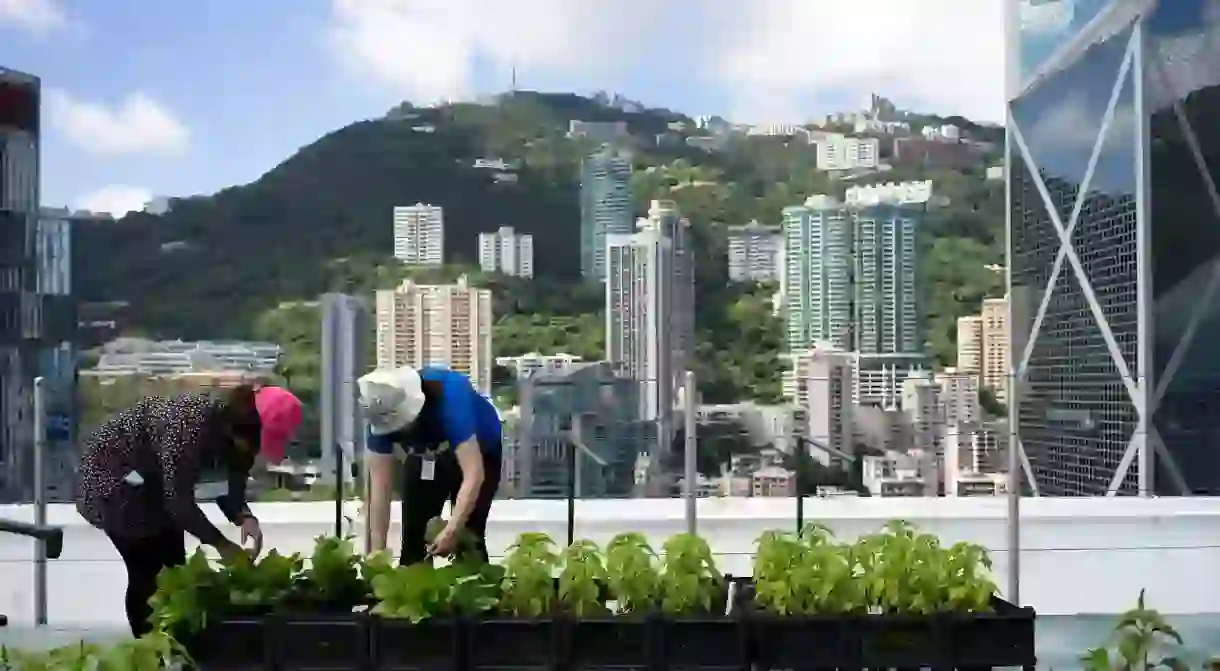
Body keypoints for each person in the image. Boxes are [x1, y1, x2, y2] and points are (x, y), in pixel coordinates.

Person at [75, 383, 303, 636]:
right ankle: (149, 649)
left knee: (174, 569)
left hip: (152, 483)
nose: (254, 452)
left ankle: (173, 644)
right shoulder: (188, 424)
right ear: (237, 431)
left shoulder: (235, 434)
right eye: (253, 445)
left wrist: (244, 517)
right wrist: (223, 545)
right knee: (149, 571)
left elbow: (229, 476)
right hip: (113, 481)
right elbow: (179, 503)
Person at [358, 365, 502, 565]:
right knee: (414, 538)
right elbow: (379, 495)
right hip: (427, 456)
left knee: (468, 536)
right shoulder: (380, 415)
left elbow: (474, 474)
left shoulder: (451, 396)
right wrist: (376, 556)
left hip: (481, 451)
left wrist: (452, 530)